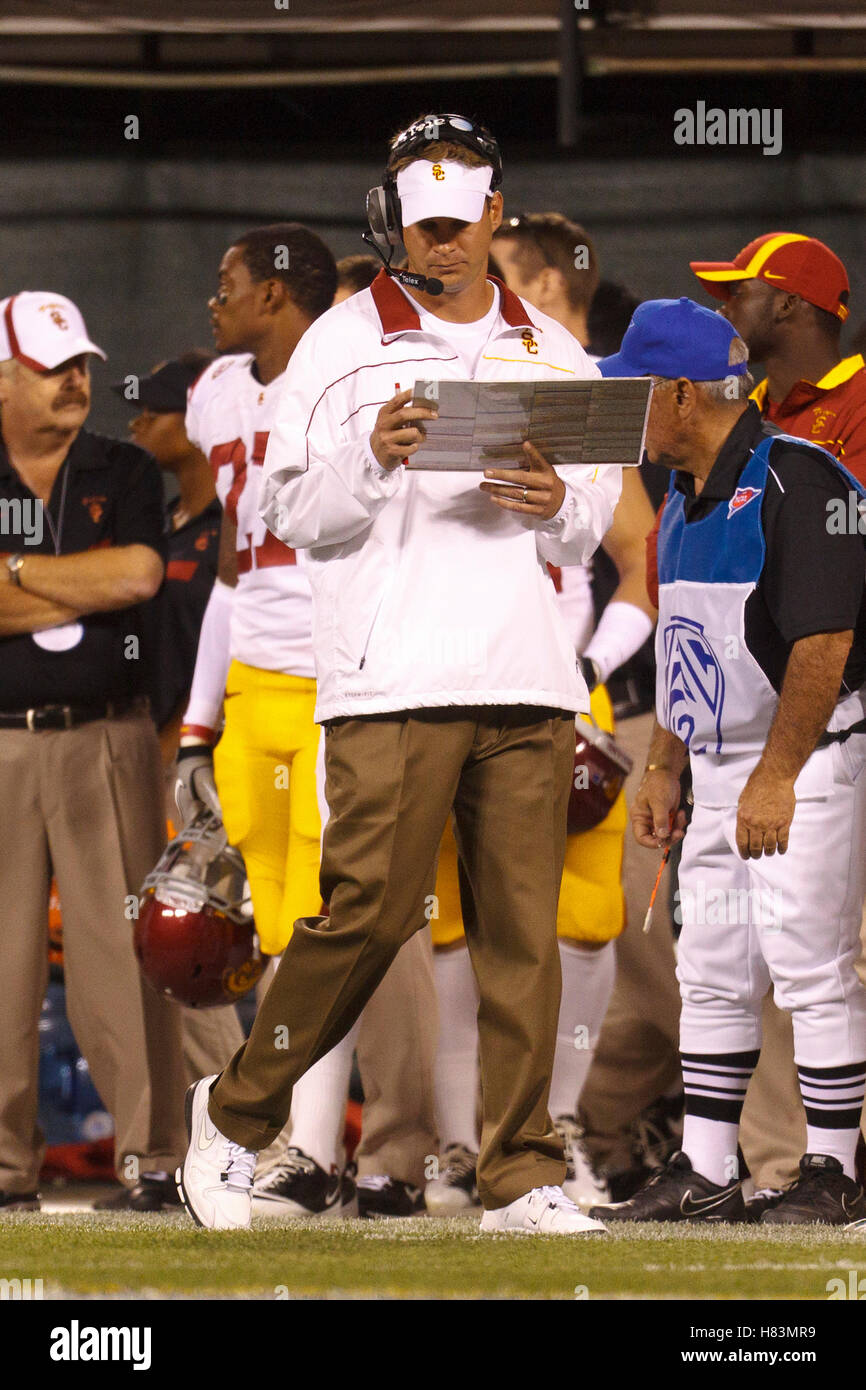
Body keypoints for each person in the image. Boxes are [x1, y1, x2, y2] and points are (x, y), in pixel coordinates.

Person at [177, 111, 622, 1236]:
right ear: (394, 220)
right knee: (365, 917)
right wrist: (368, 462)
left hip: (526, 672)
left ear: (490, 215)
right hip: (389, 676)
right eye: (419, 224)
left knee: (520, 933)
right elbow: (282, 513)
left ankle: (518, 1170)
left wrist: (552, 502)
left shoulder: (552, 349)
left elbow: (590, 526)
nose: (440, 244)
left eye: (458, 221)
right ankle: (230, 1117)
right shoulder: (336, 344)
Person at [175, 224, 437, 1220]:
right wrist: (199, 722)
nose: (213, 300)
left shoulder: (351, 375)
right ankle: (285, 1154)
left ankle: (332, 1147)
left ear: (277, 294)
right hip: (254, 683)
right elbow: (234, 567)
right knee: (269, 927)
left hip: (340, 678)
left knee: (339, 922)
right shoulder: (216, 393)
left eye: (227, 282)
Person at [591, 297, 866, 1226]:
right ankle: (708, 1166)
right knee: (709, 968)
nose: (625, 409)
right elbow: (684, 641)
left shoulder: (806, 481)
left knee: (809, 964)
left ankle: (831, 1172)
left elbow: (825, 644)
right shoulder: (682, 491)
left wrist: (778, 775)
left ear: (677, 395)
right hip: (714, 762)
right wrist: (666, 761)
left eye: (634, 391)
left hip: (807, 756)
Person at [424, 210, 657, 1215]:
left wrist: (585, 661)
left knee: (584, 923)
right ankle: (451, 1141)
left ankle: (554, 1125)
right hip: (441, 673)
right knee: (444, 918)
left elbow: (641, 556)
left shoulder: (580, 388)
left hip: (554, 677)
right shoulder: (413, 370)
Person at [0, 291, 187, 1210]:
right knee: (3, 965)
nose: (76, 380)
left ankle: (155, 1157)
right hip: (2, 746)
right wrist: (86, 585)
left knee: (126, 956)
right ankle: (4, 1168)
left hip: (112, 738)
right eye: (50, 367)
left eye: (80, 363)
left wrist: (19, 576)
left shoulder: (126, 465)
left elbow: (142, 574)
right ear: (2, 380)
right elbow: (112, 579)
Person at [690, 232, 866, 480]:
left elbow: (846, 518)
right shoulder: (738, 412)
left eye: (738, 293)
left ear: (787, 304)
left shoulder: (859, 408)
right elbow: (678, 518)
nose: (722, 310)